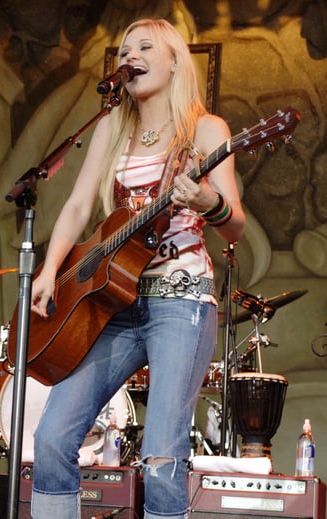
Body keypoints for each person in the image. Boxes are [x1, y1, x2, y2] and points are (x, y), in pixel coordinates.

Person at [28, 19, 245, 519]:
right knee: (53, 437)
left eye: (146, 47)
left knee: (163, 454)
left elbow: (234, 225)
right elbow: (80, 205)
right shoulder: (112, 126)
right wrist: (50, 269)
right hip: (114, 303)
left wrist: (208, 201)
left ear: (173, 62)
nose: (132, 56)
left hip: (182, 299)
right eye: (125, 50)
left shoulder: (206, 129)